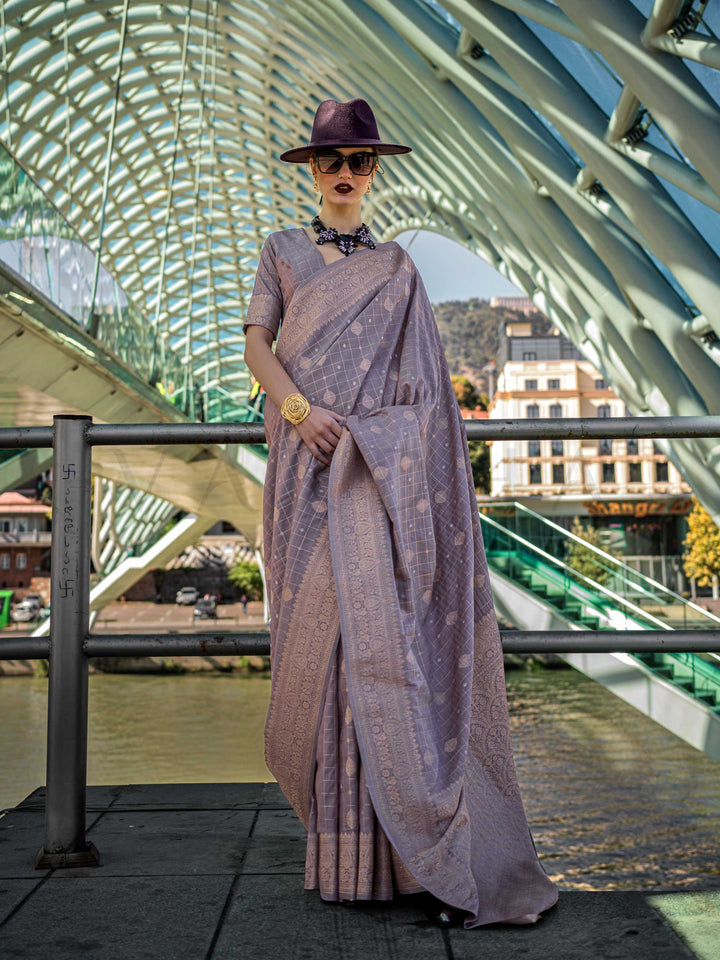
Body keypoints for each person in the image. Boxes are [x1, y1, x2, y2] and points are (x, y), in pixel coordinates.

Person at [242, 98, 558, 930]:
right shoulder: (280, 251)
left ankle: (412, 860)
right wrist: (301, 412)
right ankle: (342, 862)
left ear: (375, 171)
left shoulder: (398, 271)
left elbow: (424, 397)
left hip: (377, 482)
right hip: (305, 475)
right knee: (322, 662)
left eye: (359, 161)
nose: (345, 173)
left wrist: (375, 442)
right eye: (331, 161)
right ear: (312, 171)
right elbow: (255, 346)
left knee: (382, 654)